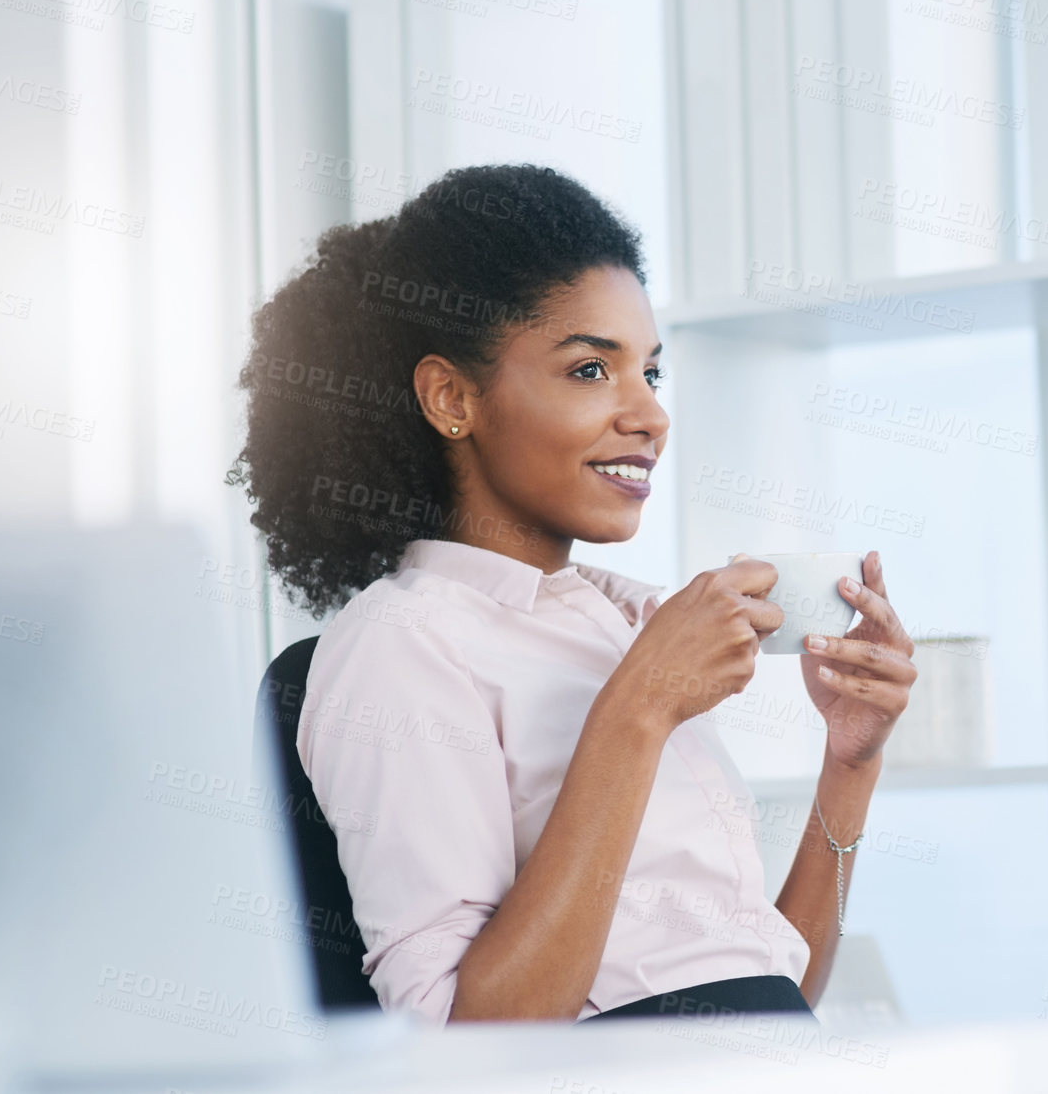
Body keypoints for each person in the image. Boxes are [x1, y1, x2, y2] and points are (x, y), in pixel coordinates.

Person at [228, 164, 916, 1023]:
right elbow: (466, 1046)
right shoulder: (404, 643)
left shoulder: (625, 624)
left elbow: (767, 983)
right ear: (451, 397)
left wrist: (849, 762)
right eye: (591, 370)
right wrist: (639, 708)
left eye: (650, 374)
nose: (649, 415)